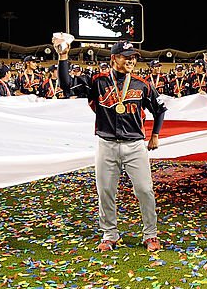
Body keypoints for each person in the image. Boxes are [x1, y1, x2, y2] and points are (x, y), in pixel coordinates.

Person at [58, 38, 167, 252]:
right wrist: (63, 57)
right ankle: (110, 234)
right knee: (106, 190)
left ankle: (150, 234)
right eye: (126, 57)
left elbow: (160, 109)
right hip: (106, 143)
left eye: (133, 57)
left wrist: (155, 134)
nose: (131, 61)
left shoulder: (141, 83)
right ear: (114, 58)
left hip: (135, 145)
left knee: (145, 190)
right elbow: (66, 85)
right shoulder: (97, 81)